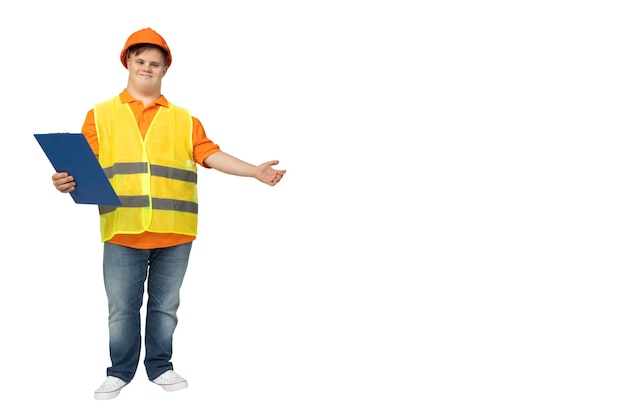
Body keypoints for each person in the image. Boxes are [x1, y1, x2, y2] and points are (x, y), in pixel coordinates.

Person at [51, 27, 286, 400]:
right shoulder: (99, 115)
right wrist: (65, 181)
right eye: (140, 61)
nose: (147, 68)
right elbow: (83, 168)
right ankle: (120, 372)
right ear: (127, 62)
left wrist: (253, 171)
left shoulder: (184, 119)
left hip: (175, 231)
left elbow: (211, 154)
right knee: (121, 310)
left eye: (155, 64)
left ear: (165, 69)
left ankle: (160, 367)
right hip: (123, 228)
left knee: (165, 308)